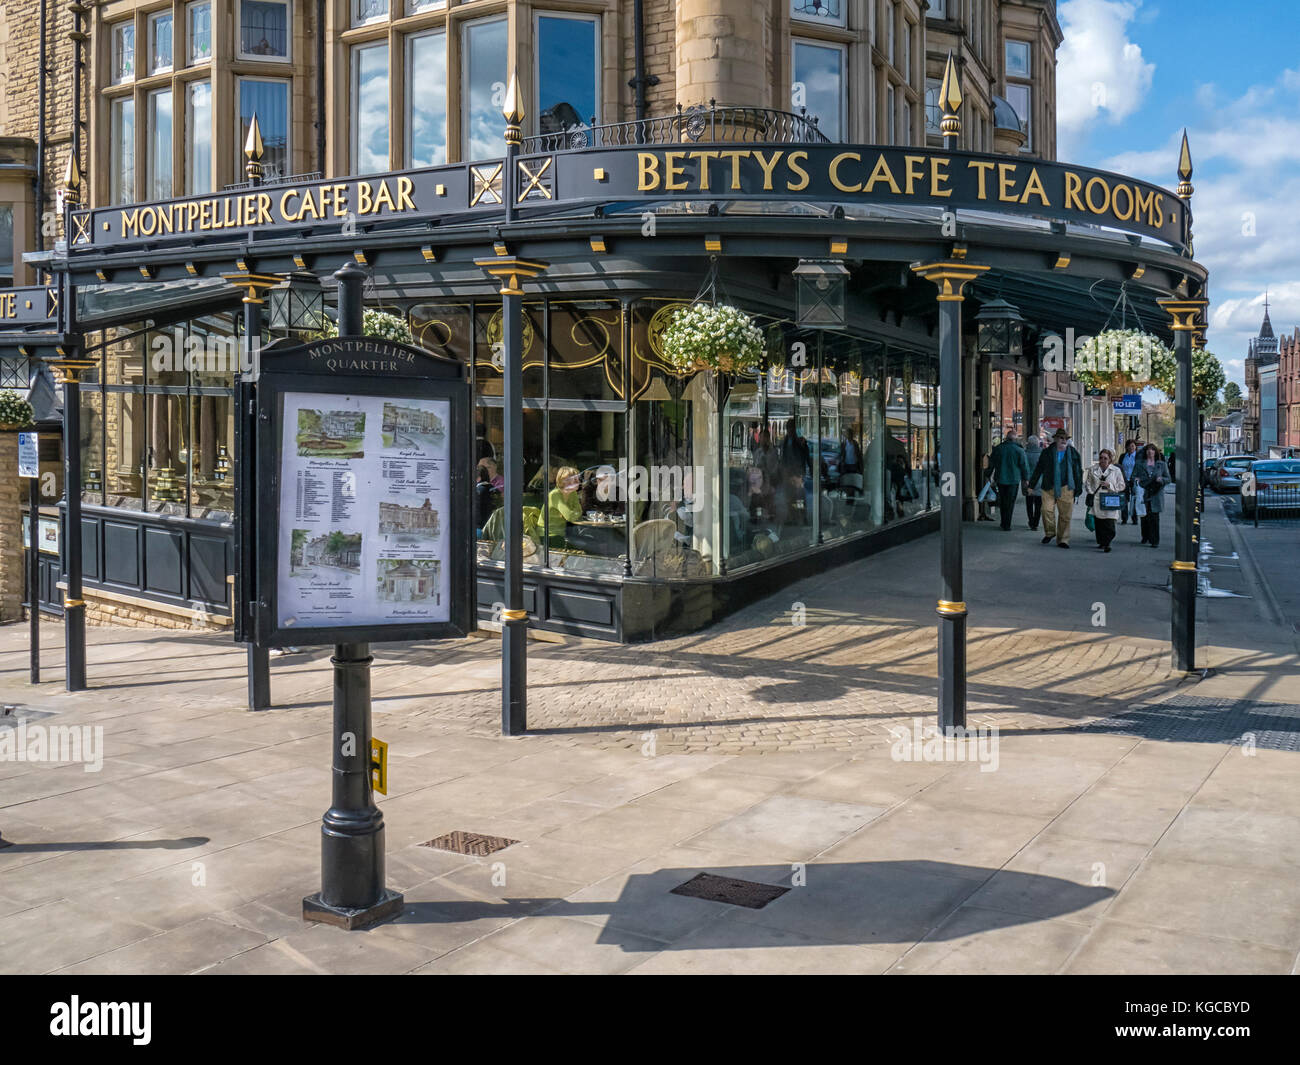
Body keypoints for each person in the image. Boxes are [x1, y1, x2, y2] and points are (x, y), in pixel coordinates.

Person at [1028, 427, 1084, 548]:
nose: (1064, 440)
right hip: (1048, 486)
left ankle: (1063, 539)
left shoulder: (1073, 453)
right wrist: (1031, 485)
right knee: (1046, 510)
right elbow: (1039, 469)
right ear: (1055, 439)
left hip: (1066, 487)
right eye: (1061, 438)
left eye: (1065, 438)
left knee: (1065, 515)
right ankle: (1050, 532)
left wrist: (1078, 488)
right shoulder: (1047, 452)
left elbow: (1078, 471)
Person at [1085, 448, 1126, 552]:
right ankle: (1102, 542)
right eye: (1101, 458)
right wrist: (1091, 492)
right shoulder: (1093, 469)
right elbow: (1088, 483)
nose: (1102, 460)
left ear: (1110, 460)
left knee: (1109, 523)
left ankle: (1107, 542)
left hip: (1110, 498)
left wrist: (1110, 485)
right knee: (1099, 522)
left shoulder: (1116, 470)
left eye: (1105, 458)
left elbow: (1122, 486)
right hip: (1097, 498)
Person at [989, 429, 1031, 531]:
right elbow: (1024, 466)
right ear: (1015, 439)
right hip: (1014, 480)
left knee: (1002, 501)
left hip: (1000, 478)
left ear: (1006, 438)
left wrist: (988, 475)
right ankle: (1007, 524)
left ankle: (1003, 522)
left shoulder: (998, 449)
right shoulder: (1019, 450)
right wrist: (1026, 479)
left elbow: (991, 463)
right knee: (1010, 502)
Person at [1132, 443, 1170, 548]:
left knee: (1154, 517)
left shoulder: (1161, 464)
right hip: (1143, 492)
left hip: (1156, 493)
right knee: (1144, 516)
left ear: (1155, 452)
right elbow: (1133, 476)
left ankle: (1155, 540)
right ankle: (1145, 537)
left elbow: (1168, 479)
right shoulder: (1139, 463)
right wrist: (1136, 479)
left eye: (1152, 450)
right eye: (1148, 450)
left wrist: (1161, 479)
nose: (1150, 452)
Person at [545, 466, 583, 547]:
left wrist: (574, 513)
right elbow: (570, 516)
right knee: (582, 547)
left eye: (578, 479)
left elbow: (579, 511)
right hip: (549, 535)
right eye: (575, 480)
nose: (579, 482)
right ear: (565, 481)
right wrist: (574, 513)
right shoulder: (555, 495)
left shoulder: (573, 493)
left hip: (564, 533)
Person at [1023, 433, 1044, 530]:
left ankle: (1031, 520)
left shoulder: (1024, 453)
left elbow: (1023, 468)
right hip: (1039, 482)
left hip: (1027, 481)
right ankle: (1036, 522)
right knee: (1039, 504)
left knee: (1029, 502)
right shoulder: (1042, 454)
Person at [1118, 439, 1140, 525]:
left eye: (1133, 446)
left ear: (1135, 447)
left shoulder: (1138, 456)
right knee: (1124, 499)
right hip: (1124, 480)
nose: (1131, 448)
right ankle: (1124, 518)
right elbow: (1119, 467)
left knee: (1134, 499)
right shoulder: (1123, 456)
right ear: (1126, 447)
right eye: (1129, 446)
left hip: (1134, 480)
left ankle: (1134, 519)